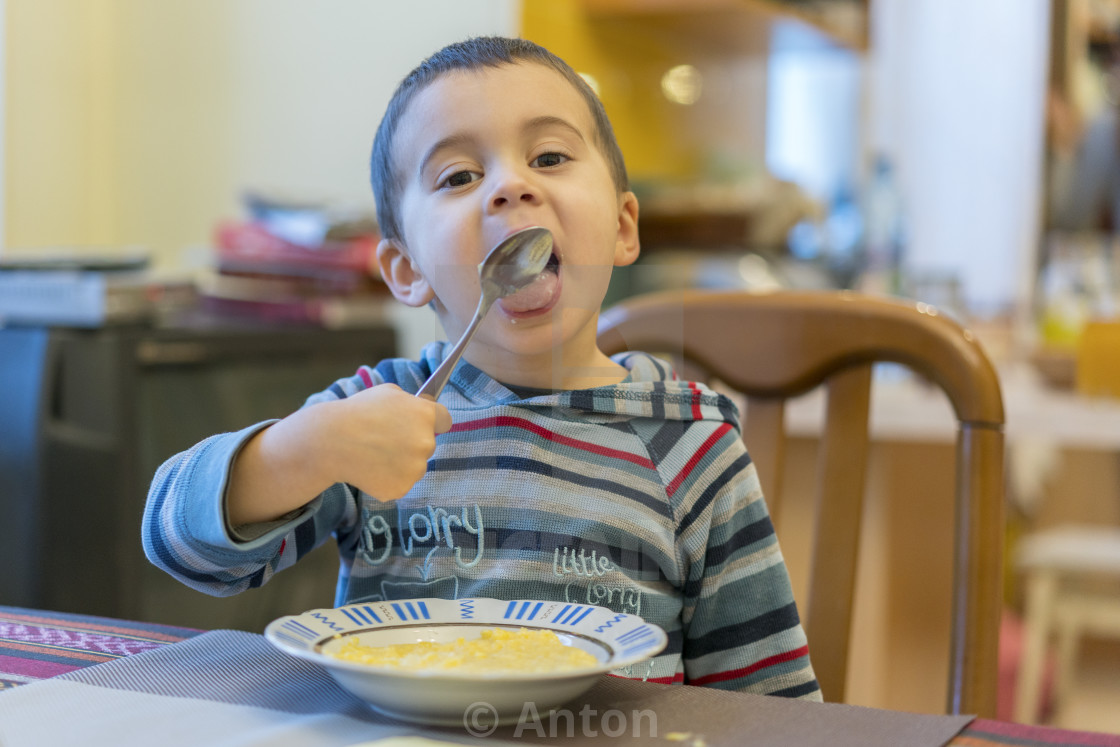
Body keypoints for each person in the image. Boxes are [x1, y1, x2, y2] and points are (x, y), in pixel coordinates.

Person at [143, 36, 820, 699]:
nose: (510, 185)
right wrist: (306, 448)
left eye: (549, 156)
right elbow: (178, 543)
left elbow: (770, 706)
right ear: (406, 271)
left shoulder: (690, 443)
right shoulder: (374, 417)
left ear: (621, 227)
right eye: (460, 176)